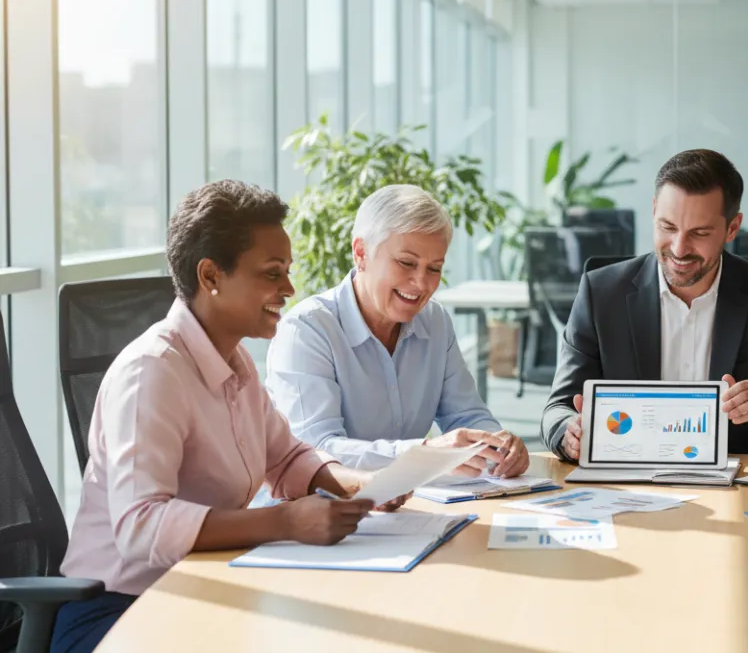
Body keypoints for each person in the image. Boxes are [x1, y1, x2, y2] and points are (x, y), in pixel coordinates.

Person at [53, 181, 410, 653]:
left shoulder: (234, 361)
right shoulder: (153, 373)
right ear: (210, 276)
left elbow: (284, 460)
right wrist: (284, 522)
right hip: (119, 613)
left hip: (204, 588)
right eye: (271, 273)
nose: (288, 288)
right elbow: (142, 527)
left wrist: (357, 485)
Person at [541, 149, 748, 460]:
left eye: (699, 233)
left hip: (736, 486)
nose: (678, 248)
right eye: (668, 227)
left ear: (732, 228)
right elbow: (558, 409)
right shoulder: (601, 293)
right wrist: (570, 432)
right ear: (653, 211)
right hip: (628, 480)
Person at [266, 184, 528, 478]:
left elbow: (466, 415)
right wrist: (425, 454)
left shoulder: (435, 322)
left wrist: (498, 446)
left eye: (434, 268)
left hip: (405, 508)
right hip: (316, 513)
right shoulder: (307, 330)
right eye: (406, 263)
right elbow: (316, 450)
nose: (421, 283)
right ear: (361, 253)